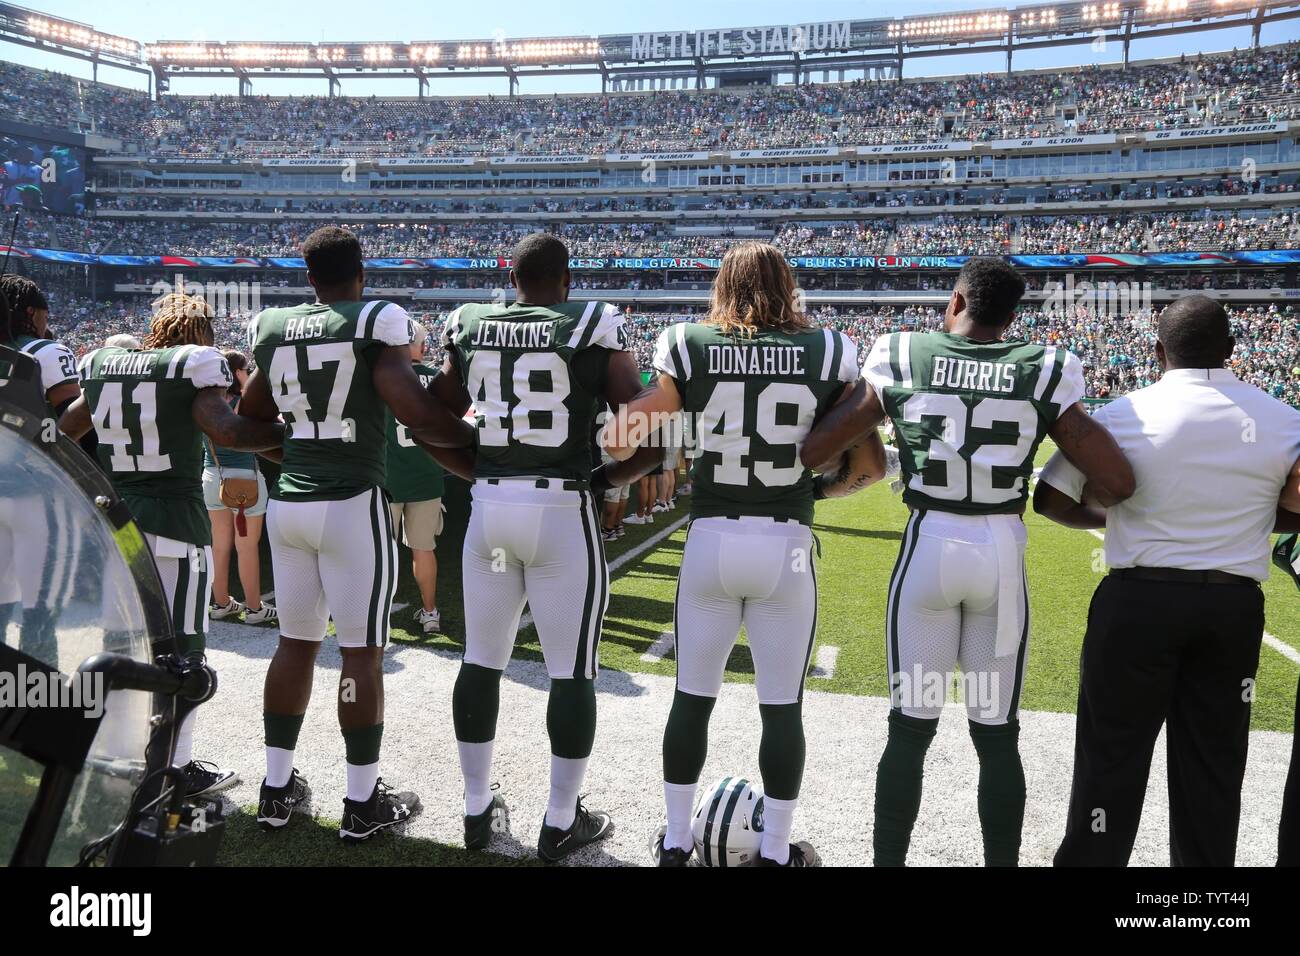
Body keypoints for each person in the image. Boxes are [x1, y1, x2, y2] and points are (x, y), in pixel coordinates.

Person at [801, 257, 1134, 867]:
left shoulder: (903, 354)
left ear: (956, 303)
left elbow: (818, 448)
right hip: (1002, 553)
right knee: (997, 734)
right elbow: (1117, 477)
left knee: (909, 728)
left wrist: (879, 420)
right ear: (1012, 317)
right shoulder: (1044, 367)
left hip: (931, 544)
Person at [606, 241, 887, 867]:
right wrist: (824, 487)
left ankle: (677, 841)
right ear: (787, 286)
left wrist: (639, 440)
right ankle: (777, 851)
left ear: (722, 287)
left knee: (692, 695)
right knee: (782, 704)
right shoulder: (832, 350)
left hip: (711, 538)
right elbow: (869, 465)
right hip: (785, 542)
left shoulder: (687, 343)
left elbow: (624, 441)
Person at [1036, 294, 1300, 866]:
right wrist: (1245, 513)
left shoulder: (1121, 414)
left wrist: (1119, 516)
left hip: (1138, 600)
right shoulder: (1284, 421)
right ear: (1232, 349)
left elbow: (1051, 500)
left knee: (1111, 758)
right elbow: (1297, 507)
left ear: (1158, 351)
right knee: (1213, 763)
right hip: (1231, 606)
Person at [238, 226, 474, 840]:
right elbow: (417, 411)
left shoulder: (275, 327)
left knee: (293, 644)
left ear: (309, 276)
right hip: (351, 504)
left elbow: (250, 422)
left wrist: (299, 457)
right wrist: (484, 456)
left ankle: (274, 788)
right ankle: (361, 800)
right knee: (362, 652)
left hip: (290, 508)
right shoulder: (374, 321)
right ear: (360, 273)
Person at [433, 233, 660, 863]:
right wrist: (609, 477)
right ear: (566, 279)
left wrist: (472, 466)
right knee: (571, 667)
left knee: (481, 658)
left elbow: (430, 415)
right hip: (561, 510)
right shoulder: (592, 323)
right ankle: (560, 819)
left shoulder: (474, 326)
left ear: (512, 278)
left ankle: (477, 810)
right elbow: (648, 422)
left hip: (491, 512)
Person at [58, 292, 285, 797]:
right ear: (201, 335)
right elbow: (225, 430)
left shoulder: (103, 364)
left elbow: (62, 432)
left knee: (120, 647)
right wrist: (298, 436)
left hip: (117, 525)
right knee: (183, 655)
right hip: (176, 528)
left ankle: (113, 761)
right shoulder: (196, 366)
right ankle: (173, 768)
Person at [0, 275, 82, 656]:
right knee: (41, 611)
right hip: (38, 493)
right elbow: (73, 417)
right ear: (31, 313)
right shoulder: (46, 351)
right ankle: (35, 705)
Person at [205, 350, 276, 625]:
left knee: (219, 546)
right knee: (246, 547)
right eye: (246, 369)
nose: (248, 373)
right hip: (245, 478)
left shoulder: (205, 404)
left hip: (212, 475)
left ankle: (221, 602)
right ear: (236, 373)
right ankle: (255, 609)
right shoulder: (243, 404)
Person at [384, 321, 445, 634]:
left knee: (380, 551)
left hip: (388, 477)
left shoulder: (382, 376)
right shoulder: (435, 378)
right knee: (423, 548)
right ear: (420, 346)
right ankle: (430, 612)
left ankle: (375, 614)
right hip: (426, 476)